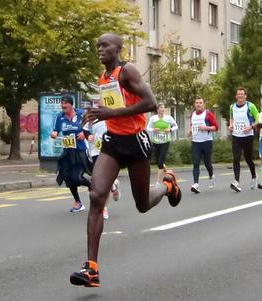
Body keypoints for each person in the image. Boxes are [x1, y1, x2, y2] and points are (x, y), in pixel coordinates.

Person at [69, 33, 181, 288]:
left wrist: (112, 112)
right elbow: (114, 105)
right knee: (97, 195)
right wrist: (98, 113)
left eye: (105, 45)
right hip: (113, 141)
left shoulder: (126, 70)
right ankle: (91, 269)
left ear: (119, 49)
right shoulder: (104, 77)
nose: (100, 49)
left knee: (142, 204)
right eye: (97, 45)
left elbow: (150, 102)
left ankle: (167, 185)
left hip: (136, 142)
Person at [51, 94, 91, 213]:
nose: (63, 106)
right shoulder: (60, 117)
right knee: (68, 178)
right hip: (67, 151)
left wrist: (85, 134)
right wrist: (54, 134)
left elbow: (91, 127)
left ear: (71, 104)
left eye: (65, 103)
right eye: (62, 104)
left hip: (80, 150)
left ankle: (91, 185)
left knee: (77, 177)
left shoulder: (82, 114)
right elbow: (55, 130)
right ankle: (78, 202)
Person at [83, 114, 120, 220]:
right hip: (95, 151)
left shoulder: (113, 115)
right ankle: (113, 185)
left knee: (104, 180)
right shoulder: (93, 117)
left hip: (109, 150)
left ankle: (104, 208)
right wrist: (88, 136)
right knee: (99, 179)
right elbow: (85, 130)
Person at [228, 87, 259, 192]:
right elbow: (231, 117)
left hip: (248, 136)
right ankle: (236, 181)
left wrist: (250, 127)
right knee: (236, 158)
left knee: (248, 159)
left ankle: (254, 176)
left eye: (242, 94)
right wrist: (231, 125)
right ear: (236, 96)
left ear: (245, 96)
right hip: (236, 136)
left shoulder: (250, 106)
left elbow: (258, 119)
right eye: (238, 94)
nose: (240, 96)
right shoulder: (232, 106)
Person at [188, 96, 218, 194]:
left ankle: (211, 175)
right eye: (197, 103)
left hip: (206, 141)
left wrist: (205, 128)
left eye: (200, 103)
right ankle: (196, 184)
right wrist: (190, 131)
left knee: (207, 163)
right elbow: (192, 125)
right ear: (194, 104)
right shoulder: (192, 114)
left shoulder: (208, 114)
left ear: (203, 104)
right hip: (196, 142)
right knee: (196, 163)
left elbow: (216, 127)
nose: (198, 104)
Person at [146, 103, 178, 183]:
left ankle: (158, 182)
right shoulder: (153, 118)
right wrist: (153, 130)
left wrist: (170, 130)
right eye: (161, 107)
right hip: (156, 142)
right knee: (159, 162)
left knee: (160, 162)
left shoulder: (168, 118)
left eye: (163, 107)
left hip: (165, 142)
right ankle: (168, 173)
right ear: (157, 110)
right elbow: (148, 128)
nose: (163, 109)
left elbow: (176, 126)